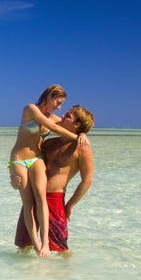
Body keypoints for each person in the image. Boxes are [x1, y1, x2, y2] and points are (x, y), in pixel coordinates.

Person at [8, 85, 89, 257]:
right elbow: (56, 128)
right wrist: (78, 137)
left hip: (36, 159)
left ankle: (45, 243)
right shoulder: (31, 109)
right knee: (28, 205)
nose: (60, 108)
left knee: (40, 196)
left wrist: (83, 134)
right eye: (58, 103)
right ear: (50, 97)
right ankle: (37, 247)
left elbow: (72, 126)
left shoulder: (53, 117)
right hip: (20, 158)